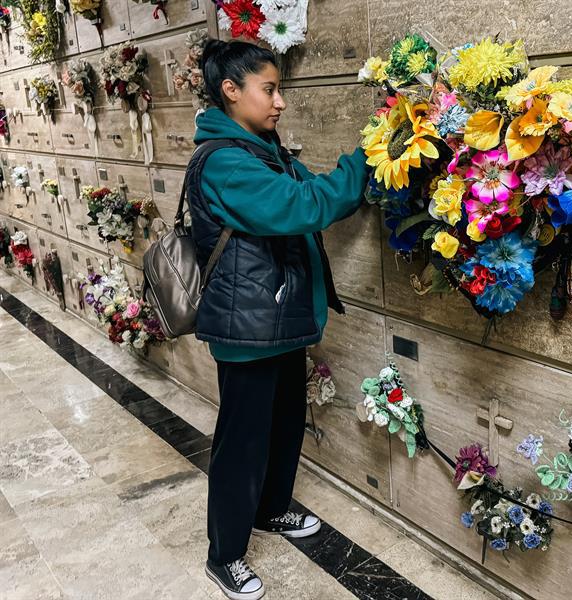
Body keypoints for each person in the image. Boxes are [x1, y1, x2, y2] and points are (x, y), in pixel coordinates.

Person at [190, 39, 368, 600]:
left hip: (278, 319)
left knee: (286, 423)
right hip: (247, 330)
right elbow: (300, 206)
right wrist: (368, 156)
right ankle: (225, 554)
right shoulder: (224, 162)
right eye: (269, 89)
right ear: (230, 91)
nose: (280, 102)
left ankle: (271, 510)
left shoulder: (261, 147)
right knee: (242, 441)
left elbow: (308, 189)